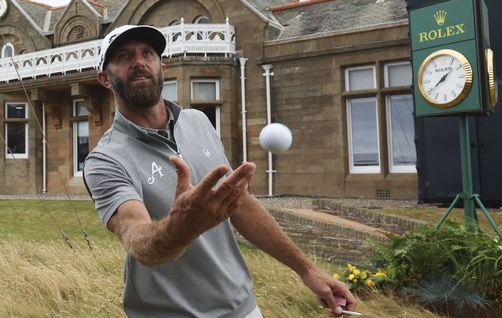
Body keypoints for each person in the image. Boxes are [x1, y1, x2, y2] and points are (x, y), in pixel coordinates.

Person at [83, 25, 357, 317]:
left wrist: (307, 270)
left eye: (147, 53)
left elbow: (240, 205)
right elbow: (137, 241)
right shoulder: (105, 160)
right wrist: (180, 226)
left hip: (243, 308)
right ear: (105, 79)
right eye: (124, 56)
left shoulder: (198, 121)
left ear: (162, 66)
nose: (138, 61)